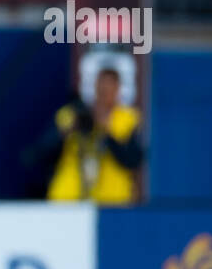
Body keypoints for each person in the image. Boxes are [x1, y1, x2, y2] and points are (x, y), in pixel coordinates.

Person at [45, 68, 142, 205]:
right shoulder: (73, 114)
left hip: (112, 199)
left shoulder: (127, 119)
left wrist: (106, 133)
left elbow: (133, 160)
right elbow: (42, 153)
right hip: (69, 197)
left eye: (109, 88)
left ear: (117, 90)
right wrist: (65, 133)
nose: (105, 92)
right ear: (95, 87)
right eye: (101, 87)